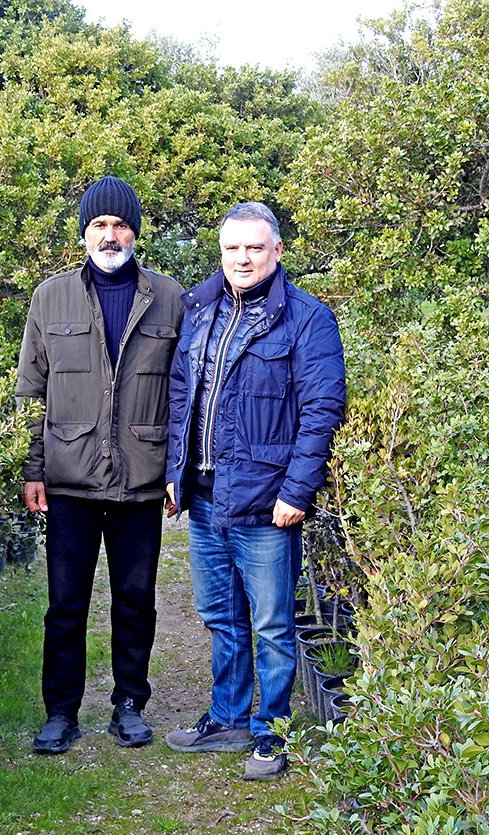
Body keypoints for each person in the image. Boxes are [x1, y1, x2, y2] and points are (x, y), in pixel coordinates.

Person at [163, 201, 346, 780]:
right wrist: (174, 472)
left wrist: (298, 490)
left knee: (271, 625)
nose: (242, 258)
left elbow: (321, 410)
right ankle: (227, 718)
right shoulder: (200, 309)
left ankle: (272, 732)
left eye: (254, 248)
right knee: (221, 615)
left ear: (277, 251)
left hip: (268, 501)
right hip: (205, 497)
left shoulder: (307, 319)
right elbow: (181, 397)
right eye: (232, 248)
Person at [17, 175, 184, 754]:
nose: (109, 236)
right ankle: (60, 713)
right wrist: (32, 469)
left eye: (119, 225)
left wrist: (176, 471)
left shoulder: (170, 298)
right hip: (69, 480)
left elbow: (183, 392)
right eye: (98, 225)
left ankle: (129, 704)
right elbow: (30, 392)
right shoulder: (50, 297)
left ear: (135, 232)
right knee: (65, 605)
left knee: (135, 602)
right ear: (84, 232)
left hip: (142, 479)